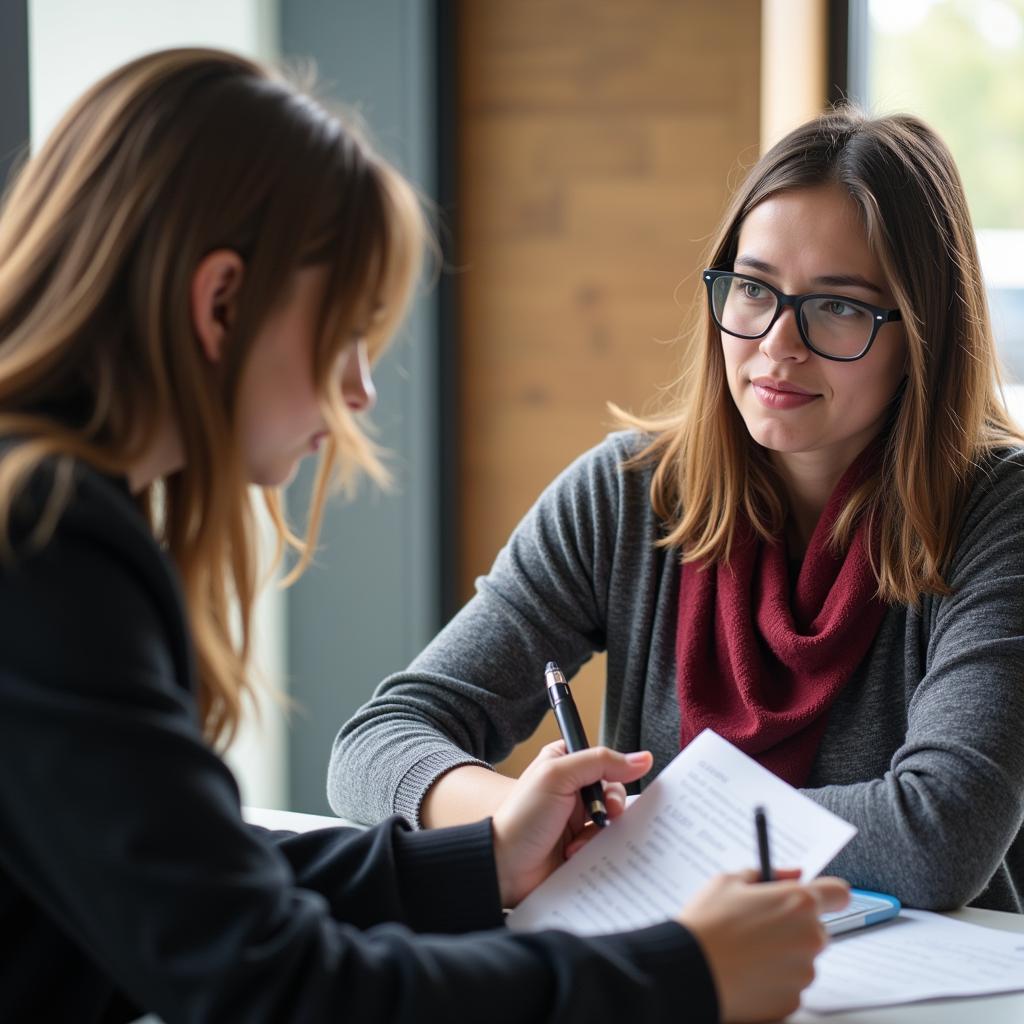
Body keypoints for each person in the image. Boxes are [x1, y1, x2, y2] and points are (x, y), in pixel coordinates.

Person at [0, 48, 848, 1024]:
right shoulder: (46, 545)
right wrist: (681, 978)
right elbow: (276, 983)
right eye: (346, 332)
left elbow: (187, 880)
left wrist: (479, 857)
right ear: (221, 302)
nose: (360, 388)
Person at [331, 106, 1024, 914]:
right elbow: (374, 744)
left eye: (838, 306)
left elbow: (939, 836)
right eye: (754, 289)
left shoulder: (998, 513)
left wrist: (644, 829)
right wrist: (516, 819)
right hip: (677, 971)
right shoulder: (628, 492)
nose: (775, 344)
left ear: (924, 334)